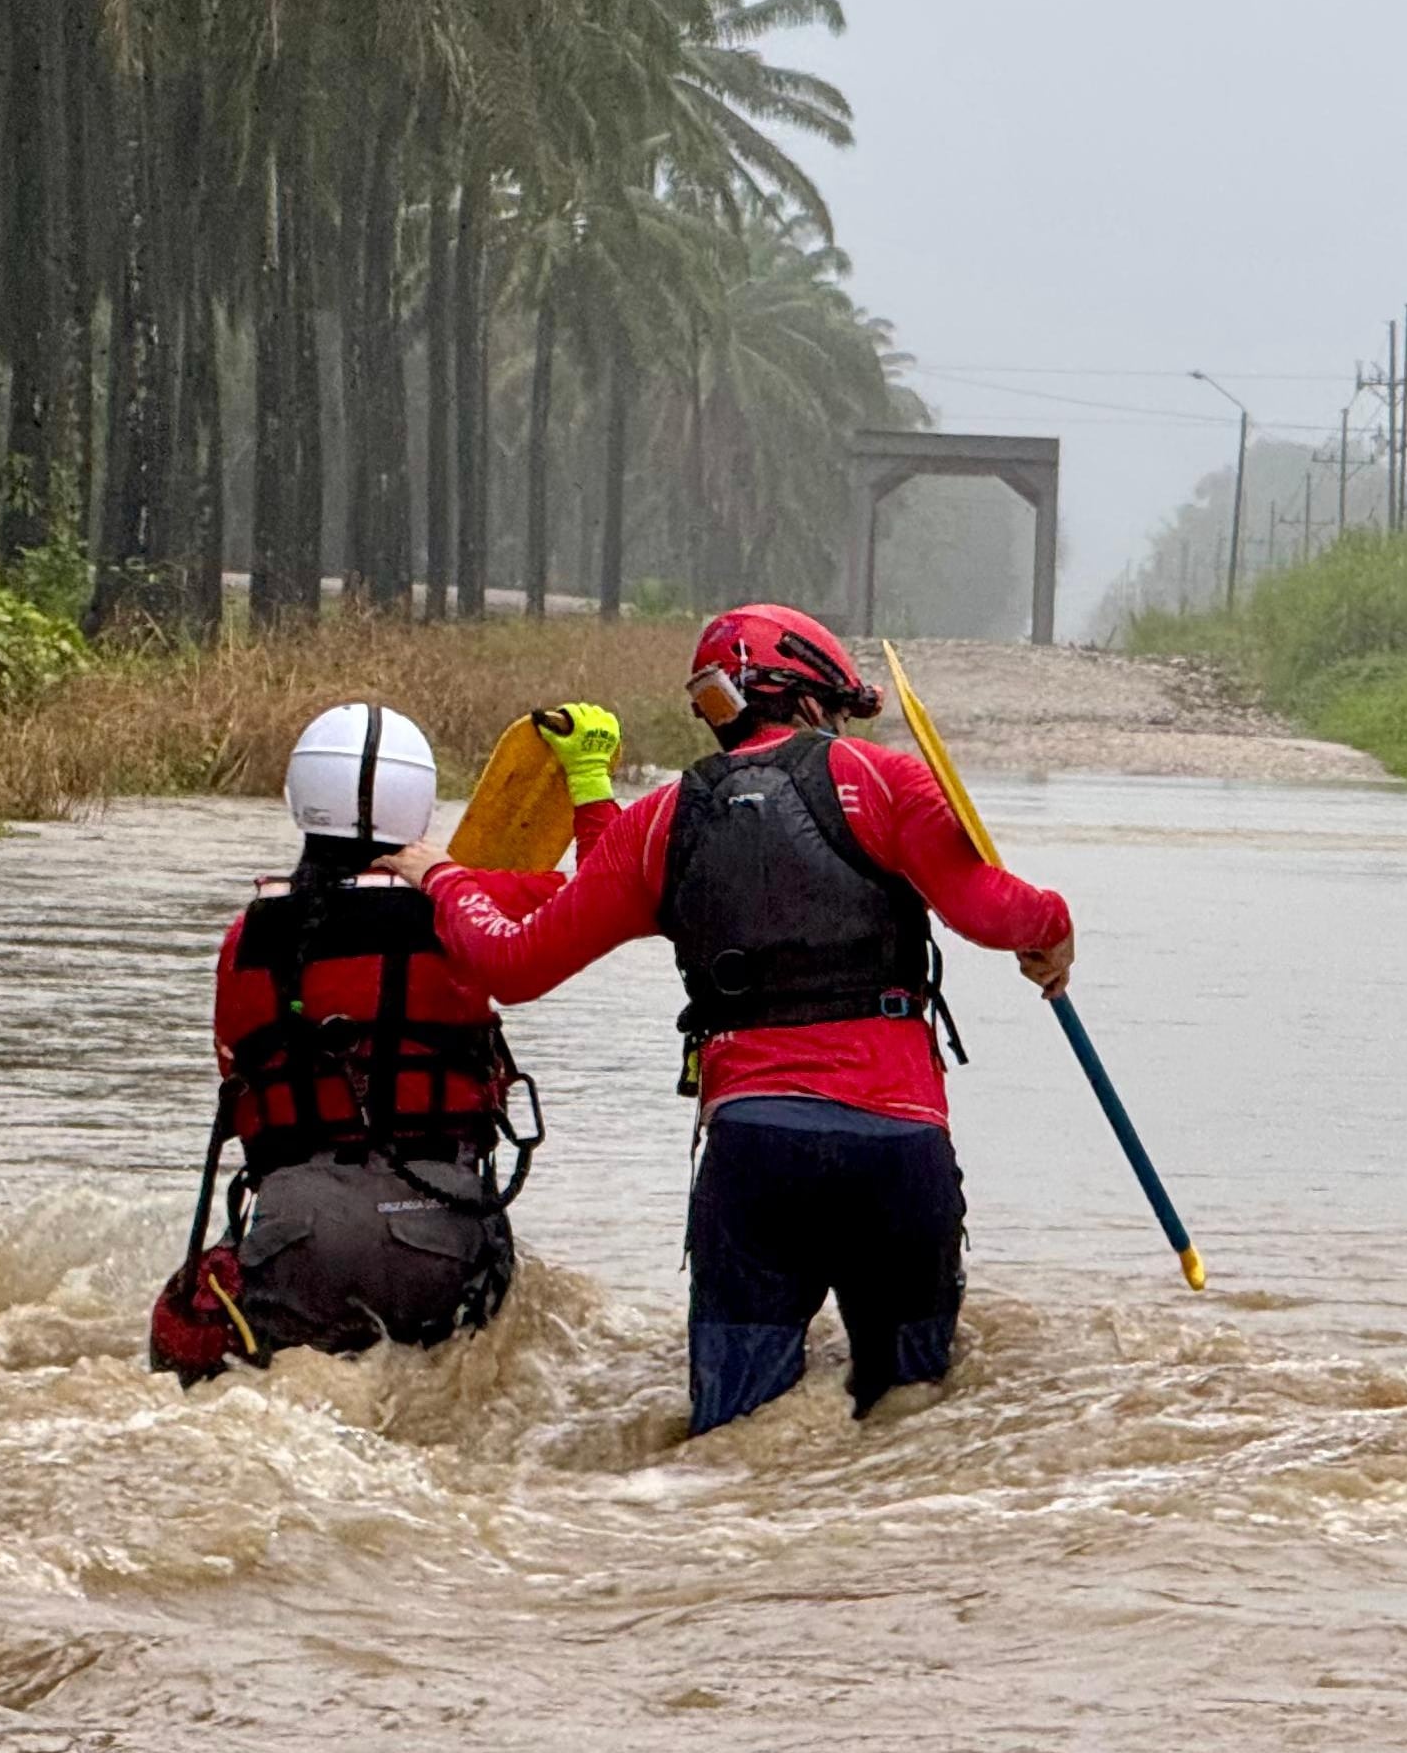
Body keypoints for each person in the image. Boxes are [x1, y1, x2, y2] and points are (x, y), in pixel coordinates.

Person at [380, 606, 1076, 1437]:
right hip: (899, 1156)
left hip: (756, 1156)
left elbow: (516, 961)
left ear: (722, 707)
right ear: (815, 699)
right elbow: (999, 912)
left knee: (736, 1445)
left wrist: (445, 878)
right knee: (912, 1429)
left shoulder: (659, 823)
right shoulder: (884, 780)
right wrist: (1054, 933)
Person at [147, 700, 620, 1380]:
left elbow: (237, 1077)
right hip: (443, 1232)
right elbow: (607, 893)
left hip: (293, 1234)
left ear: (298, 799)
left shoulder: (243, 939)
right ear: (420, 807)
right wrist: (588, 779)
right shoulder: (468, 904)